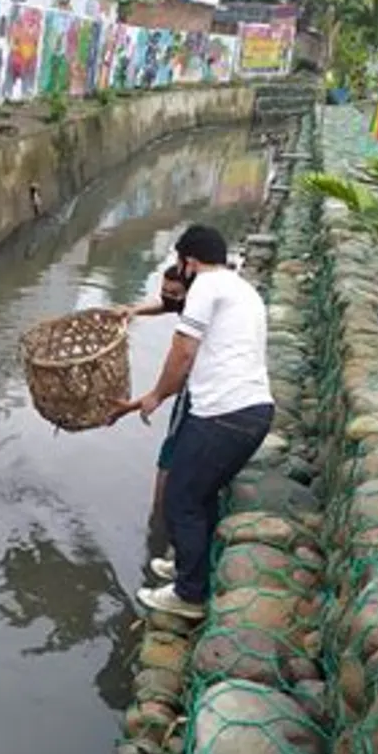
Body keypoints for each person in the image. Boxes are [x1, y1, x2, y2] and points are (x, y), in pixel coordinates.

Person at [110, 225, 274, 620]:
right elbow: (174, 315)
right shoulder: (239, 289)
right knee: (202, 495)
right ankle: (191, 565)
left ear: (189, 261)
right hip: (254, 411)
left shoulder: (204, 286)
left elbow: (182, 352)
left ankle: (188, 595)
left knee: (180, 499)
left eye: (180, 263)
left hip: (222, 415)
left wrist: (152, 397)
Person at [113, 265, 191, 523]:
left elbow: (176, 383)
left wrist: (131, 407)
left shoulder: (194, 326)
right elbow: (166, 305)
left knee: (170, 453)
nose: (169, 297)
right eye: (164, 291)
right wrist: (134, 310)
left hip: (202, 395)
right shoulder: (192, 303)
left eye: (175, 292)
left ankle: (159, 518)